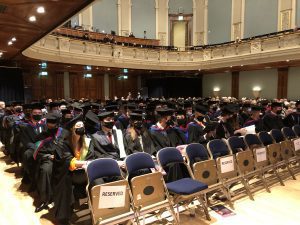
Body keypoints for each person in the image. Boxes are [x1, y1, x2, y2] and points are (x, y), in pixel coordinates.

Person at [52, 115, 94, 225]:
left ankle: (98, 212)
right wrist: (86, 163)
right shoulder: (63, 143)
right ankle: (65, 217)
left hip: (83, 172)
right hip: (67, 173)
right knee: (65, 185)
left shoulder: (87, 142)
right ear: (72, 128)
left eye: (83, 126)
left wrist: (87, 164)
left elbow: (91, 156)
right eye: (78, 126)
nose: (81, 128)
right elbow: (67, 161)